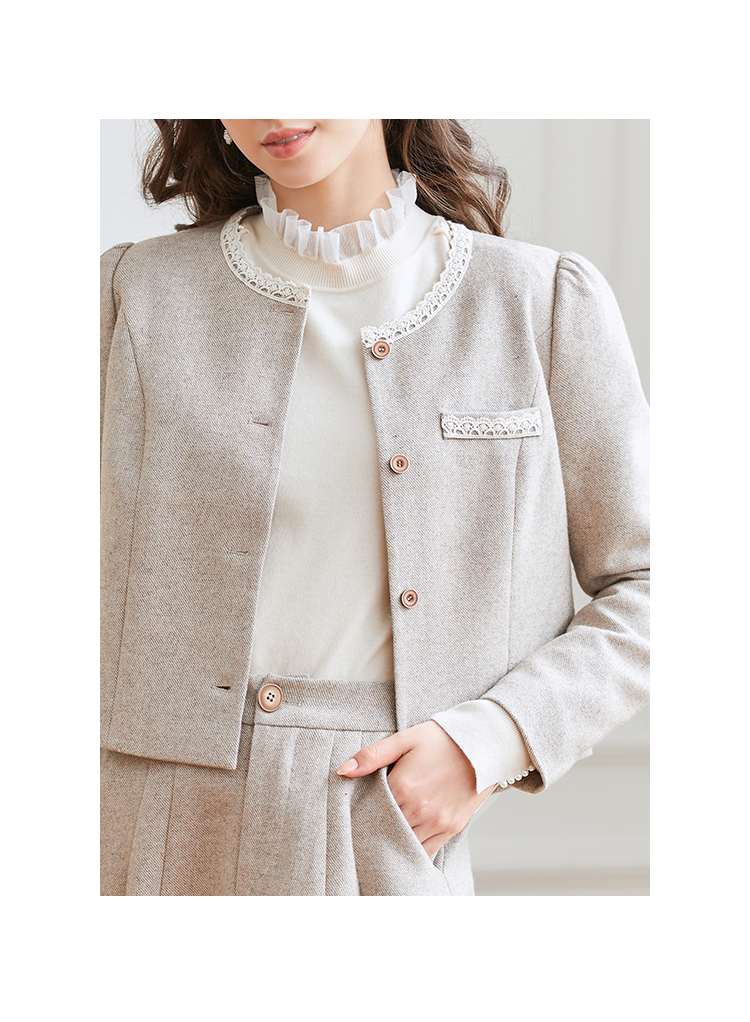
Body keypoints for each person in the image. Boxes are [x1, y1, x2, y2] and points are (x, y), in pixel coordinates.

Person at [100, 119, 649, 896]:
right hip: (141, 818)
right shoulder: (131, 294)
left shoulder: (536, 301)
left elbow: (651, 582)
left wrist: (490, 741)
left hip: (383, 813)